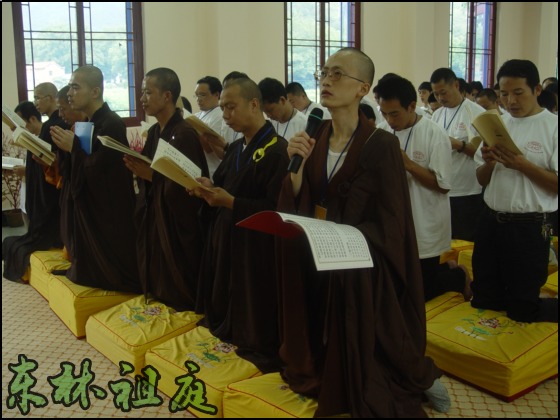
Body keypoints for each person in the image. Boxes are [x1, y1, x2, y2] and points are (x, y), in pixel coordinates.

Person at [277, 47, 447, 417]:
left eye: (338, 74)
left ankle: (418, 375)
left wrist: (348, 238)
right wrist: (296, 168)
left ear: (362, 88)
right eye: (324, 72)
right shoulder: (314, 136)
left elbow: (392, 219)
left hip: (361, 263)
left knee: (379, 357)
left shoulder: (381, 144)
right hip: (318, 253)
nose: (326, 80)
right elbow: (301, 198)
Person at [191, 77, 289, 373]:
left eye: (231, 107)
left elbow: (277, 209)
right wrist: (208, 187)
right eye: (222, 108)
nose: (225, 115)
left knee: (251, 299)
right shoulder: (236, 148)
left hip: (255, 245)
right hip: (227, 235)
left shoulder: (277, 150)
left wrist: (232, 202)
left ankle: (252, 338)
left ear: (254, 104)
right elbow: (222, 184)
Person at [471, 59, 558, 323]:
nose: (510, 101)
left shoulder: (553, 127)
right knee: (485, 298)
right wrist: (489, 162)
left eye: (518, 93)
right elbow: (481, 179)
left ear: (537, 90)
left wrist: (523, 165)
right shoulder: (498, 124)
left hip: (529, 227)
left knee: (523, 308)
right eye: (504, 94)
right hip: (490, 222)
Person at [377, 75, 471, 302]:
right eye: (384, 113)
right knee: (398, 281)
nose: (389, 120)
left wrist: (408, 164)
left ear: (411, 106)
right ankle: (446, 269)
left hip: (425, 220)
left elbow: (443, 186)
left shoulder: (434, 134)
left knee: (422, 291)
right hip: (393, 219)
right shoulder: (381, 132)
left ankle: (458, 276)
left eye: (394, 114)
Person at [123, 68, 208, 311]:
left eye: (148, 92)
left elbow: (190, 188)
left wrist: (151, 176)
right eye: (142, 93)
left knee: (179, 268)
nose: (142, 99)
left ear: (167, 96)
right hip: (156, 214)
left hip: (178, 222)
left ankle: (182, 300)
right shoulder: (155, 132)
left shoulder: (184, 134)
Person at [50, 65, 140, 293]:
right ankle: (88, 270)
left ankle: (109, 277)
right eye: (69, 87)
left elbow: (103, 171)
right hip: (91, 202)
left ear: (95, 91)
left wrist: (74, 148)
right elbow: (79, 167)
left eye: (75, 87)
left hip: (109, 206)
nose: (70, 94)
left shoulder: (111, 123)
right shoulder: (87, 124)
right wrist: (67, 150)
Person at [3, 83, 69, 282]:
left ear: (51, 98)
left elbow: (56, 162)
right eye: (34, 98)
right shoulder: (49, 125)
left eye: (38, 97)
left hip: (51, 192)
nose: (36, 102)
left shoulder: (56, 125)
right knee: (12, 242)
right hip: (45, 187)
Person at [431, 68, 486, 241]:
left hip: (467, 191)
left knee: (465, 242)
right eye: (436, 94)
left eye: (443, 92)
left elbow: (484, 154)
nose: (440, 98)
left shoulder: (476, 113)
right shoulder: (437, 114)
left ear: (456, 85)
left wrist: (459, 145)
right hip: (442, 189)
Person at [52, 86, 88, 261]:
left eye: (63, 109)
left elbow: (88, 163)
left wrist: (71, 147)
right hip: (69, 185)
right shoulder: (74, 127)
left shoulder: (88, 128)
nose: (60, 114)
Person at [258, 77, 307, 142]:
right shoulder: (269, 125)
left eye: (270, 110)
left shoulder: (304, 124)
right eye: (265, 112)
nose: (268, 116)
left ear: (282, 100)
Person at [194, 76, 224, 179]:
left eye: (202, 95)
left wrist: (196, 131)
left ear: (217, 95)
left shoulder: (220, 115)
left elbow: (210, 149)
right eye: (196, 95)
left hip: (212, 172)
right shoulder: (197, 115)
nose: (198, 99)